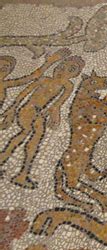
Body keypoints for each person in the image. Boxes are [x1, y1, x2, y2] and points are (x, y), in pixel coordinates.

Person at [0, 55, 85, 189]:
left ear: (75, 74)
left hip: (39, 114)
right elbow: (24, 93)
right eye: (61, 66)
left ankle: (18, 171)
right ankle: (21, 174)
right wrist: (12, 109)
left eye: (71, 69)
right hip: (28, 110)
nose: (63, 70)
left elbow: (58, 103)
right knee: (29, 137)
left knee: (27, 137)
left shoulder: (67, 85)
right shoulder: (44, 79)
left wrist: (52, 114)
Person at [0, 48, 71, 128]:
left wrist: (51, 61)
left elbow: (32, 77)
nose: (1, 69)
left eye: (5, 68)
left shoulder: (4, 84)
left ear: (8, 72)